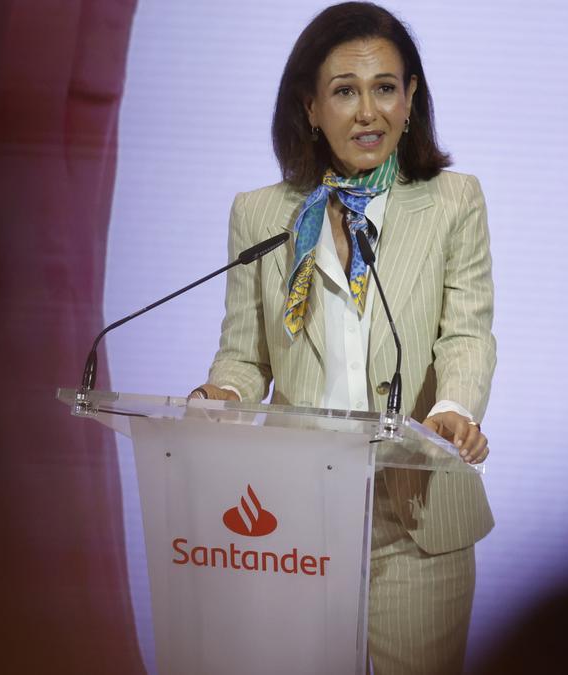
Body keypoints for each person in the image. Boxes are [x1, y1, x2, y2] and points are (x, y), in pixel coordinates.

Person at [189, 3, 496, 673]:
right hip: (295, 517)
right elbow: (245, 356)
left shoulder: (454, 201)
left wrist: (457, 410)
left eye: (385, 87)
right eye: (345, 90)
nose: (367, 111)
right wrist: (219, 392)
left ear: (410, 98)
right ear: (309, 105)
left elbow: (466, 333)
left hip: (414, 519)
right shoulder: (261, 214)